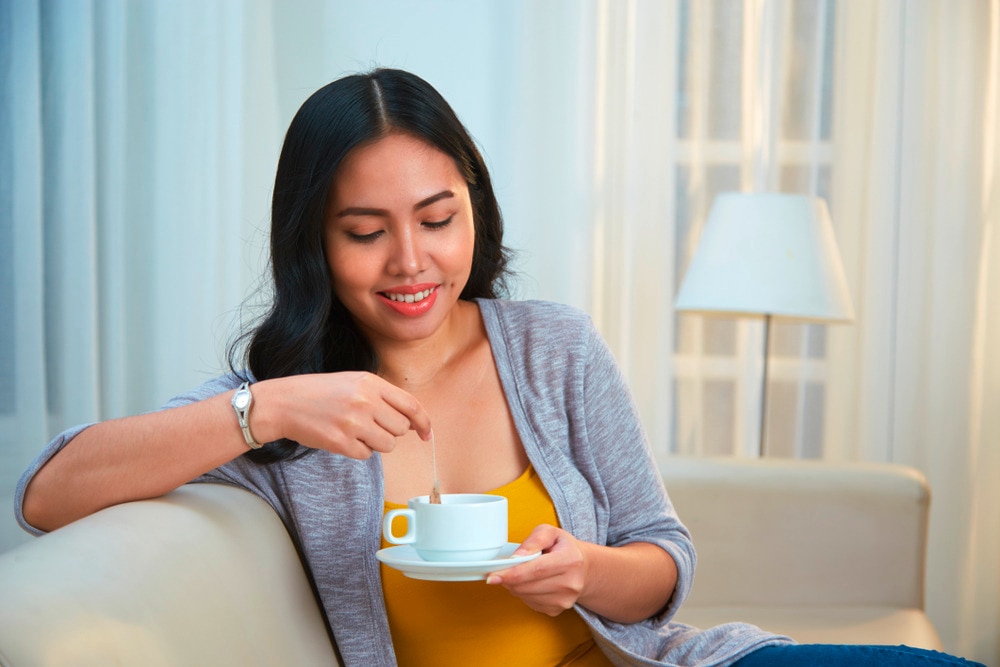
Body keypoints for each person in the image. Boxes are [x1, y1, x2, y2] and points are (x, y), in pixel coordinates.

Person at [16, 69, 984, 667]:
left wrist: (583, 571)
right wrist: (262, 405)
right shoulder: (295, 413)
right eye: (364, 231)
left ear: (473, 205)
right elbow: (48, 493)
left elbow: (663, 560)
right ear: (313, 241)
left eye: (437, 219)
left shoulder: (552, 346)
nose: (410, 261)